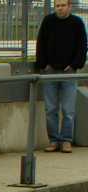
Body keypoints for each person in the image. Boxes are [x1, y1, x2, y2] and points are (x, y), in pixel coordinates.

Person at [35, 0, 87, 153]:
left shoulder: (77, 23)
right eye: (57, 6)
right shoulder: (48, 21)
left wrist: (75, 65)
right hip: (49, 72)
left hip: (69, 72)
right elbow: (41, 43)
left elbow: (82, 46)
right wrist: (43, 64)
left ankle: (66, 141)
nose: (60, 8)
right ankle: (53, 140)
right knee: (50, 109)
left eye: (63, 5)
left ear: (69, 6)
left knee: (68, 110)